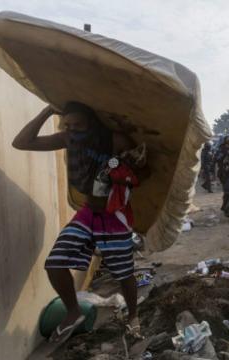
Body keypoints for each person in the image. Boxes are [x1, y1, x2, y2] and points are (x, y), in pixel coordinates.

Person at [12, 102, 142, 343]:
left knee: (123, 273)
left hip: (114, 215)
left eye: (78, 125)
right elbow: (21, 143)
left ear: (92, 122)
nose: (73, 130)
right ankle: (73, 312)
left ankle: (133, 317)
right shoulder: (68, 139)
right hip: (87, 214)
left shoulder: (114, 140)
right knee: (55, 263)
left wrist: (119, 165)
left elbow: (142, 168)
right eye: (68, 125)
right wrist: (47, 112)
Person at [215, 134, 229, 217]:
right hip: (225, 174)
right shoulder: (222, 149)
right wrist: (226, 154)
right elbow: (217, 159)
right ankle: (227, 209)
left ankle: (225, 206)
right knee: (228, 192)